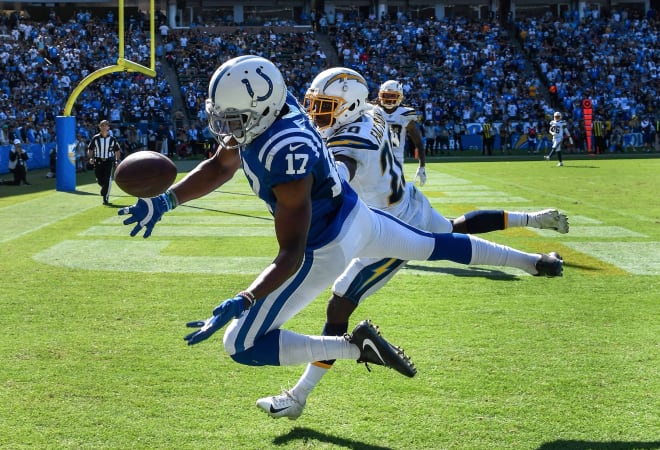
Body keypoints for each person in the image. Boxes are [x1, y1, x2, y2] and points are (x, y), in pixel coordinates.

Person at [117, 57, 563, 409]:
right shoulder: (274, 106)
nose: (227, 129)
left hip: (325, 246)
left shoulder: (286, 151)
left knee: (241, 345)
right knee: (438, 244)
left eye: (235, 119)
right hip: (361, 217)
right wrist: (167, 199)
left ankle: (355, 349)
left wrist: (245, 297)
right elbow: (221, 163)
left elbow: (290, 253)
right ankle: (534, 262)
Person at [256, 67, 565, 419]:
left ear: (349, 105)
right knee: (453, 230)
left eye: (326, 105)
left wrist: (304, 197)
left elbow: (342, 170)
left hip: (390, 227)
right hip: (408, 201)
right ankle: (537, 256)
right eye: (316, 104)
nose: (317, 112)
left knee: (339, 307)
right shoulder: (370, 111)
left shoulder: (349, 141)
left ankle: (299, 397)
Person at [377, 80, 426, 186]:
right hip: (374, 157)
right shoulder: (372, 111)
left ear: (399, 97)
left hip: (396, 158)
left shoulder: (405, 114)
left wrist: (422, 166)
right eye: (386, 95)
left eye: (392, 96)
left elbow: (418, 142)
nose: (389, 99)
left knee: (393, 193)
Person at [87, 119, 122, 205]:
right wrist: (91, 158)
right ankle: (104, 189)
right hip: (98, 160)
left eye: (106, 125)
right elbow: (90, 149)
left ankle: (105, 198)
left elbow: (117, 151)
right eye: (102, 125)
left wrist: (117, 160)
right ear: (99, 127)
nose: (104, 127)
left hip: (109, 161)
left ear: (108, 127)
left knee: (107, 179)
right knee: (99, 179)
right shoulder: (95, 138)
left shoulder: (112, 139)